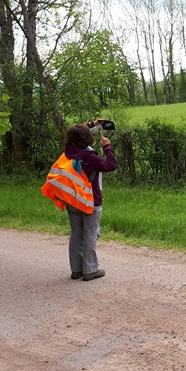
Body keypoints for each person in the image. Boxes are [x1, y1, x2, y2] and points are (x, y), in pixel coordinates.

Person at [61, 120, 118, 281]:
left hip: (72, 198)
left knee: (76, 233)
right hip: (90, 199)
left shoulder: (68, 151)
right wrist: (107, 147)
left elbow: (76, 132)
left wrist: (93, 123)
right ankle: (90, 270)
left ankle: (77, 270)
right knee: (90, 233)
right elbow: (111, 165)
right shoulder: (90, 157)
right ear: (88, 138)